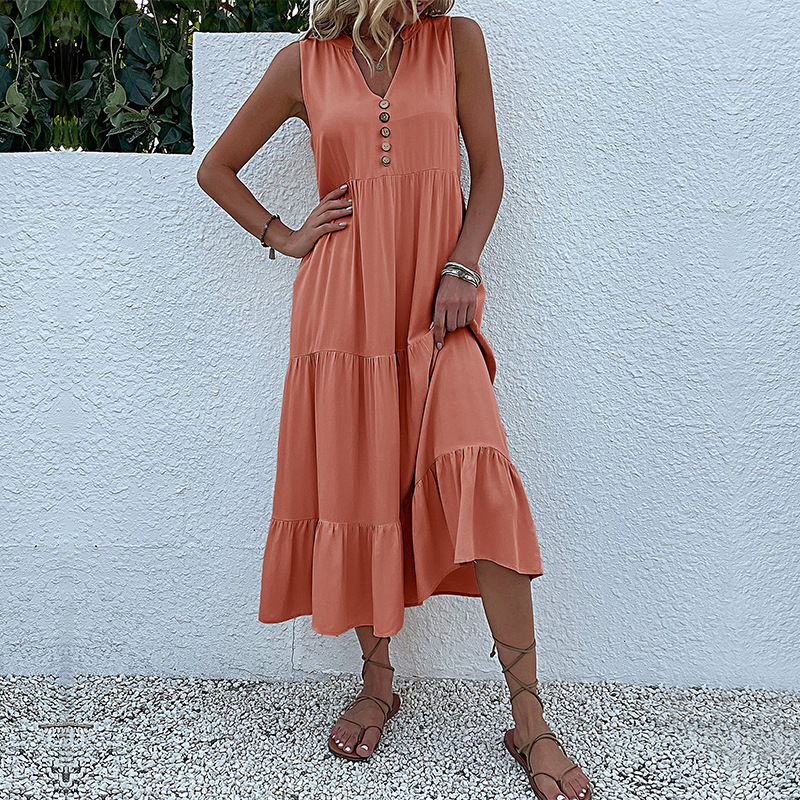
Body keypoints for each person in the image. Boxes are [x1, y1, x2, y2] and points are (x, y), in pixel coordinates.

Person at [196, 1, 592, 798]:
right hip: (341, 310)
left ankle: (530, 720)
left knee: (481, 474)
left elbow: (489, 170)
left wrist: (464, 265)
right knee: (359, 488)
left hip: (437, 308)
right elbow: (216, 169)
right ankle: (378, 686)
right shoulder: (303, 64)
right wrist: (285, 235)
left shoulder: (456, 42)